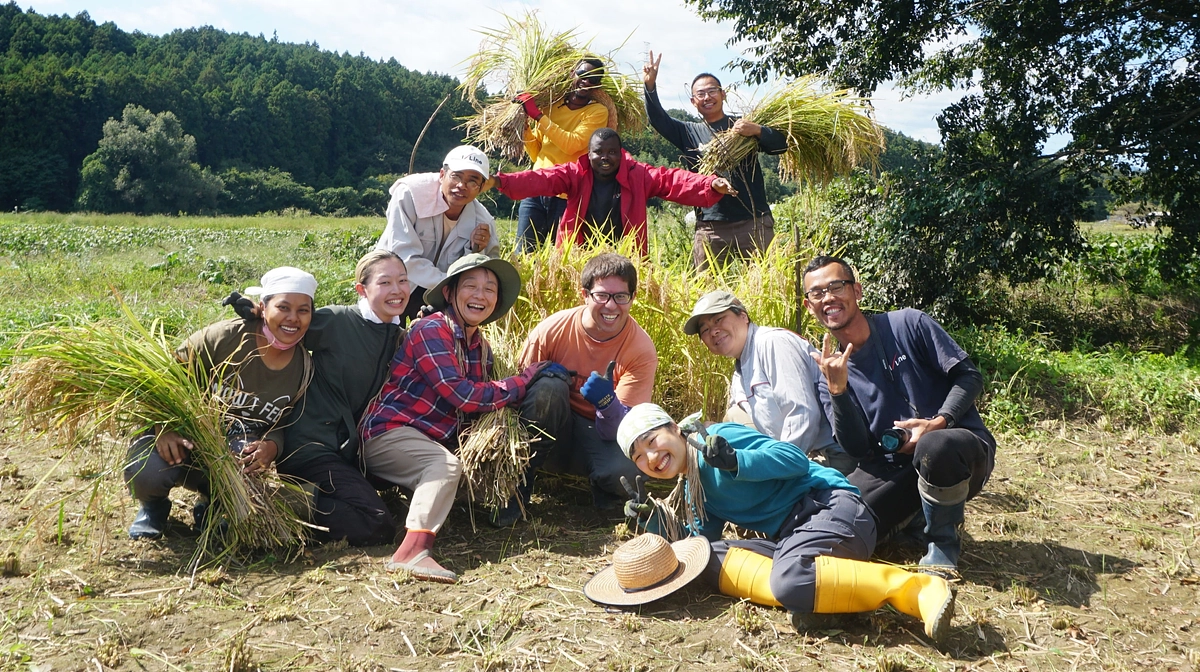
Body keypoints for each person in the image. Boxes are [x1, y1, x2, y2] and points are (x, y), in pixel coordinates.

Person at [616, 403, 956, 642]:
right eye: (638, 457)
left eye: (652, 441)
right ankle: (813, 595)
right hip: (795, 538)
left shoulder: (717, 439)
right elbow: (694, 546)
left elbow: (794, 459)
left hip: (832, 509)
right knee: (706, 556)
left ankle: (915, 589)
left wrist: (737, 461)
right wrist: (652, 524)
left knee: (790, 577)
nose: (650, 457)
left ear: (675, 428)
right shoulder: (695, 489)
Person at [358, 254, 553, 583]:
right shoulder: (432, 329)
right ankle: (410, 553)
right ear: (449, 293)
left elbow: (479, 402)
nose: (481, 295)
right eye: (471, 286)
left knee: (455, 474)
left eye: (490, 289)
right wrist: (524, 381)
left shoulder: (481, 348)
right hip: (390, 433)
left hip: (429, 440)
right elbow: (463, 395)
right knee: (445, 467)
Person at [801, 254, 996, 571]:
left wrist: (938, 423)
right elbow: (857, 448)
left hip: (960, 451)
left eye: (836, 286)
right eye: (817, 293)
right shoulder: (828, 373)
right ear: (809, 306)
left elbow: (969, 377)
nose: (828, 298)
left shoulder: (908, 324)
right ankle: (911, 520)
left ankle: (942, 547)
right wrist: (838, 390)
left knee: (935, 447)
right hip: (892, 467)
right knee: (834, 517)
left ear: (857, 291)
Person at [124, 267, 316, 539]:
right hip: (184, 433)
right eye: (283, 307)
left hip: (234, 444)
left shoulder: (304, 367)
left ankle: (212, 505)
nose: (292, 318)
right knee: (147, 471)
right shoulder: (223, 339)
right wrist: (163, 427)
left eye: (303, 310)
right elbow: (161, 381)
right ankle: (153, 507)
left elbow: (285, 422)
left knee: (246, 464)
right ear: (262, 307)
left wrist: (270, 447)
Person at [493, 253, 654, 527]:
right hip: (552, 429)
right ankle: (520, 484)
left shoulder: (640, 349)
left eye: (621, 297)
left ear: (633, 298)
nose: (611, 306)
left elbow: (624, 427)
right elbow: (517, 393)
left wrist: (607, 403)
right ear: (585, 295)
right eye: (602, 296)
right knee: (548, 386)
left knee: (628, 471)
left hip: (599, 433)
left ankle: (601, 485)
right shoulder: (552, 330)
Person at [274, 250, 410, 547]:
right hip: (311, 444)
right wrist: (256, 310)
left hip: (350, 449)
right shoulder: (336, 320)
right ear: (362, 289)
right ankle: (273, 505)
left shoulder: (399, 336)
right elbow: (283, 326)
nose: (397, 290)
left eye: (403, 281)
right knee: (376, 525)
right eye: (385, 282)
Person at [683, 290, 857, 475]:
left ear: (743, 316)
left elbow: (803, 415)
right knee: (732, 418)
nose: (714, 331)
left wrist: (776, 469)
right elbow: (740, 429)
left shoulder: (772, 343)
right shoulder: (739, 373)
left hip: (828, 459)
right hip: (798, 457)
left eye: (718, 320)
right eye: (705, 330)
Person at [487, 128, 736, 256]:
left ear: (620, 152)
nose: (605, 157)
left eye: (612, 152)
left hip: (625, 254)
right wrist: (499, 181)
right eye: (598, 152)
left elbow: (671, 180)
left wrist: (709, 184)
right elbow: (540, 179)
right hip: (577, 253)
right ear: (589, 153)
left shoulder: (637, 175)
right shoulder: (575, 173)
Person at [642, 52, 788, 268]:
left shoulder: (744, 126)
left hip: (754, 221)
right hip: (710, 226)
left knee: (768, 285)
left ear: (723, 94)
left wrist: (757, 130)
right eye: (701, 94)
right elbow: (658, 119)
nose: (707, 97)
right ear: (693, 101)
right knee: (708, 292)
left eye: (712, 91)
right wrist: (650, 86)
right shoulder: (688, 132)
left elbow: (781, 145)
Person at [376, 145, 499, 325]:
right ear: (442, 175)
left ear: (481, 187)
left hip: (438, 298)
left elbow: (488, 270)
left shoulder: (483, 222)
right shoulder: (410, 195)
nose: (462, 186)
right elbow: (403, 258)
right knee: (381, 340)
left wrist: (476, 250)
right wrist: (449, 285)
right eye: (456, 176)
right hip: (394, 283)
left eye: (472, 181)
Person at [513, 57, 611, 252]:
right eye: (583, 74)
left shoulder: (597, 112)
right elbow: (536, 153)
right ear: (572, 74)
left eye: (593, 79)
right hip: (535, 189)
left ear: (597, 85)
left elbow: (571, 144)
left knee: (558, 258)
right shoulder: (552, 106)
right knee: (523, 254)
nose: (586, 81)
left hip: (566, 196)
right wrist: (523, 125)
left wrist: (538, 116)